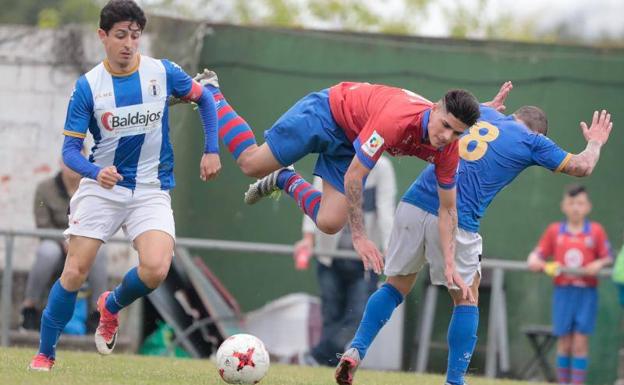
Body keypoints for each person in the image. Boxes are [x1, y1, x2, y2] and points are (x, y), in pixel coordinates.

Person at [334, 81, 614, 385]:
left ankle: (357, 350)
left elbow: (456, 113)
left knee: (395, 286)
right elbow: (582, 166)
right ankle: (454, 381)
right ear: (538, 132)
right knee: (466, 299)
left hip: (413, 204)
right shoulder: (534, 141)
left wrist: (488, 106)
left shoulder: (484, 116)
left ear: (513, 116)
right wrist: (595, 142)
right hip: (456, 216)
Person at [28, 0, 220, 371]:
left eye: (135, 35)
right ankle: (45, 353)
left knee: (155, 268)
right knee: (74, 271)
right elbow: (69, 151)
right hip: (102, 189)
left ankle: (110, 306)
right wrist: (93, 172)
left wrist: (211, 149)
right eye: (120, 36)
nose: (129, 43)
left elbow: (205, 97)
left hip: (150, 188)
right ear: (103, 36)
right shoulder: (88, 87)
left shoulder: (162, 72)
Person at [197, 71, 481, 297]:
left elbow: (448, 210)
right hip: (326, 114)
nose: (446, 136)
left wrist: (449, 263)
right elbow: (355, 176)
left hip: (351, 142)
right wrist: (359, 236)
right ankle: (211, 92)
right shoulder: (396, 121)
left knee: (330, 222)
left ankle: (284, 177)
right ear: (434, 109)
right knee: (250, 164)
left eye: (457, 133)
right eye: (444, 125)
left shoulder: (448, 150)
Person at [293, 155, 396, 366]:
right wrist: (307, 239)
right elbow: (315, 201)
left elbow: (386, 211)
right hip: (330, 256)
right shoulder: (332, 157)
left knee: (358, 314)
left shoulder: (382, 168)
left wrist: (389, 250)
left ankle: (316, 356)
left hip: (365, 262)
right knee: (331, 312)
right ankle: (326, 363)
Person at [527, 185, 612, 385]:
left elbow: (608, 257)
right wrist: (535, 261)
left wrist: (598, 263)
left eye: (580, 203)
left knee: (580, 342)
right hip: (563, 293)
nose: (576, 208)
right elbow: (536, 255)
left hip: (587, 293)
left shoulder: (596, 231)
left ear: (588, 207)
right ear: (563, 206)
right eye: (571, 203)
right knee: (564, 342)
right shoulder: (555, 231)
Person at [21, 162, 108, 333]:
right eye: (70, 161)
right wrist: (64, 241)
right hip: (55, 244)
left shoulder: (93, 189)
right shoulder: (45, 188)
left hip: (84, 243)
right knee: (47, 252)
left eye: (79, 161)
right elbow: (42, 224)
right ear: (61, 162)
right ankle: (29, 308)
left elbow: (99, 222)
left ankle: (97, 313)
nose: (73, 166)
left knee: (101, 253)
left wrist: (78, 242)